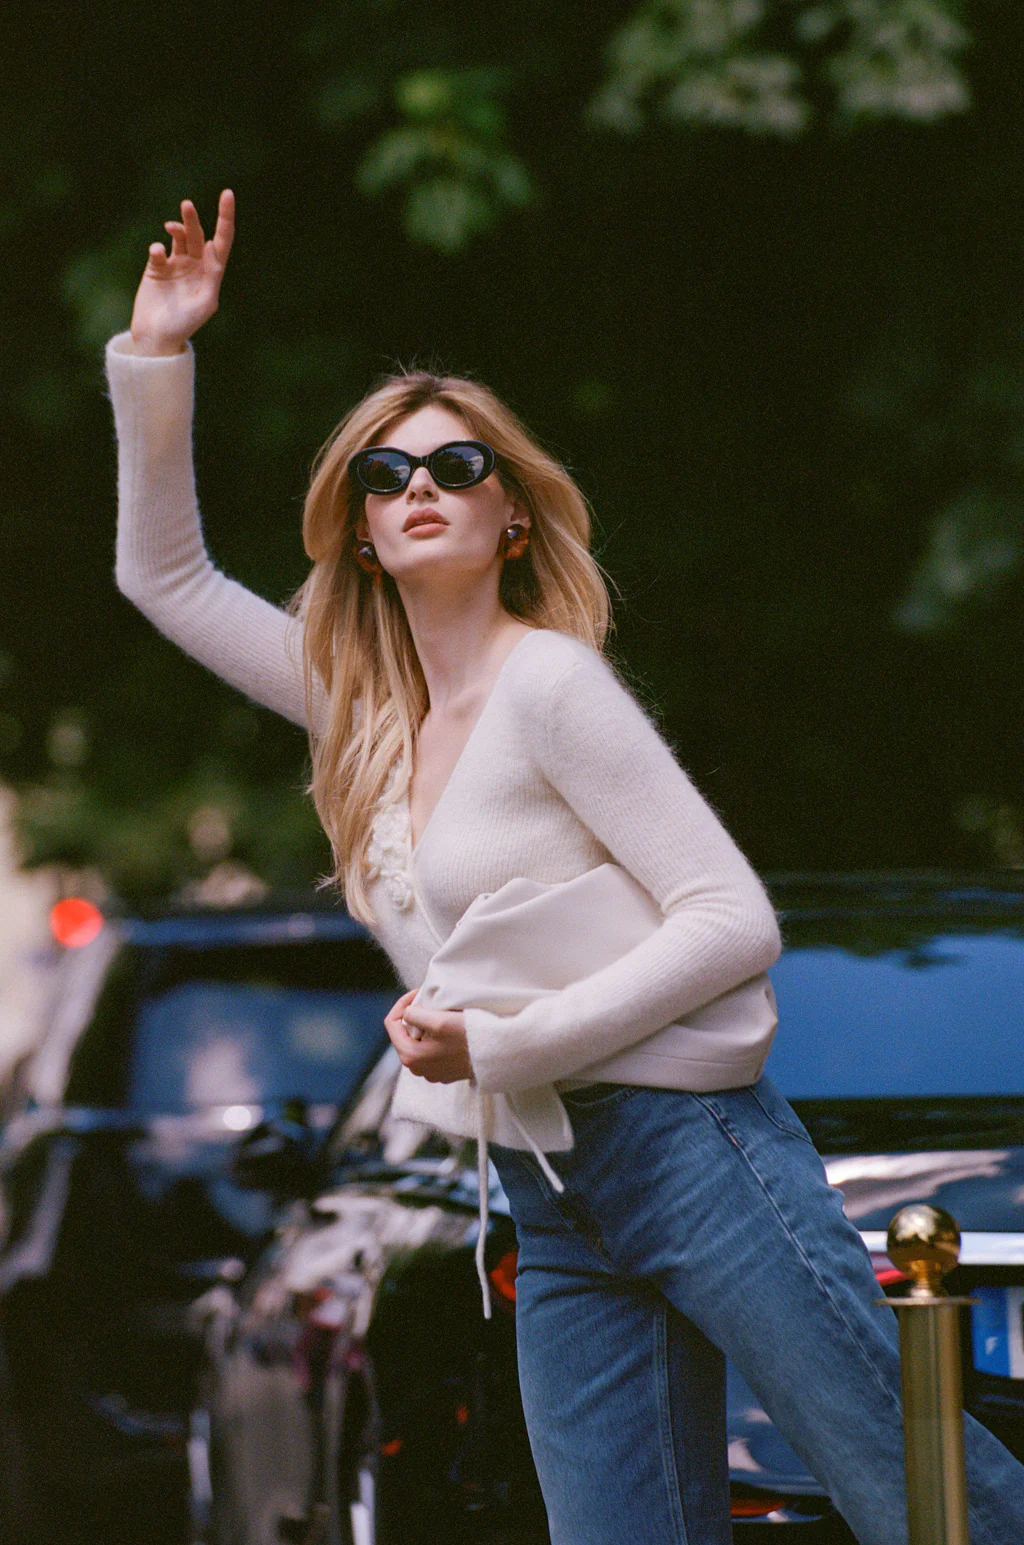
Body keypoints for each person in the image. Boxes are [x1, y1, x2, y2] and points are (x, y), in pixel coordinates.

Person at [107, 189, 1024, 1545]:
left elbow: (731, 920)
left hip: (693, 1152)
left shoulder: (552, 686)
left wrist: (499, 1042)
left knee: (925, 1496)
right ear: (360, 531)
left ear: (514, 519)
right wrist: (160, 352)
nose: (420, 487)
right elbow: (165, 579)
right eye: (385, 476)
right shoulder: (364, 713)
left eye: (456, 465)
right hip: (548, 1188)